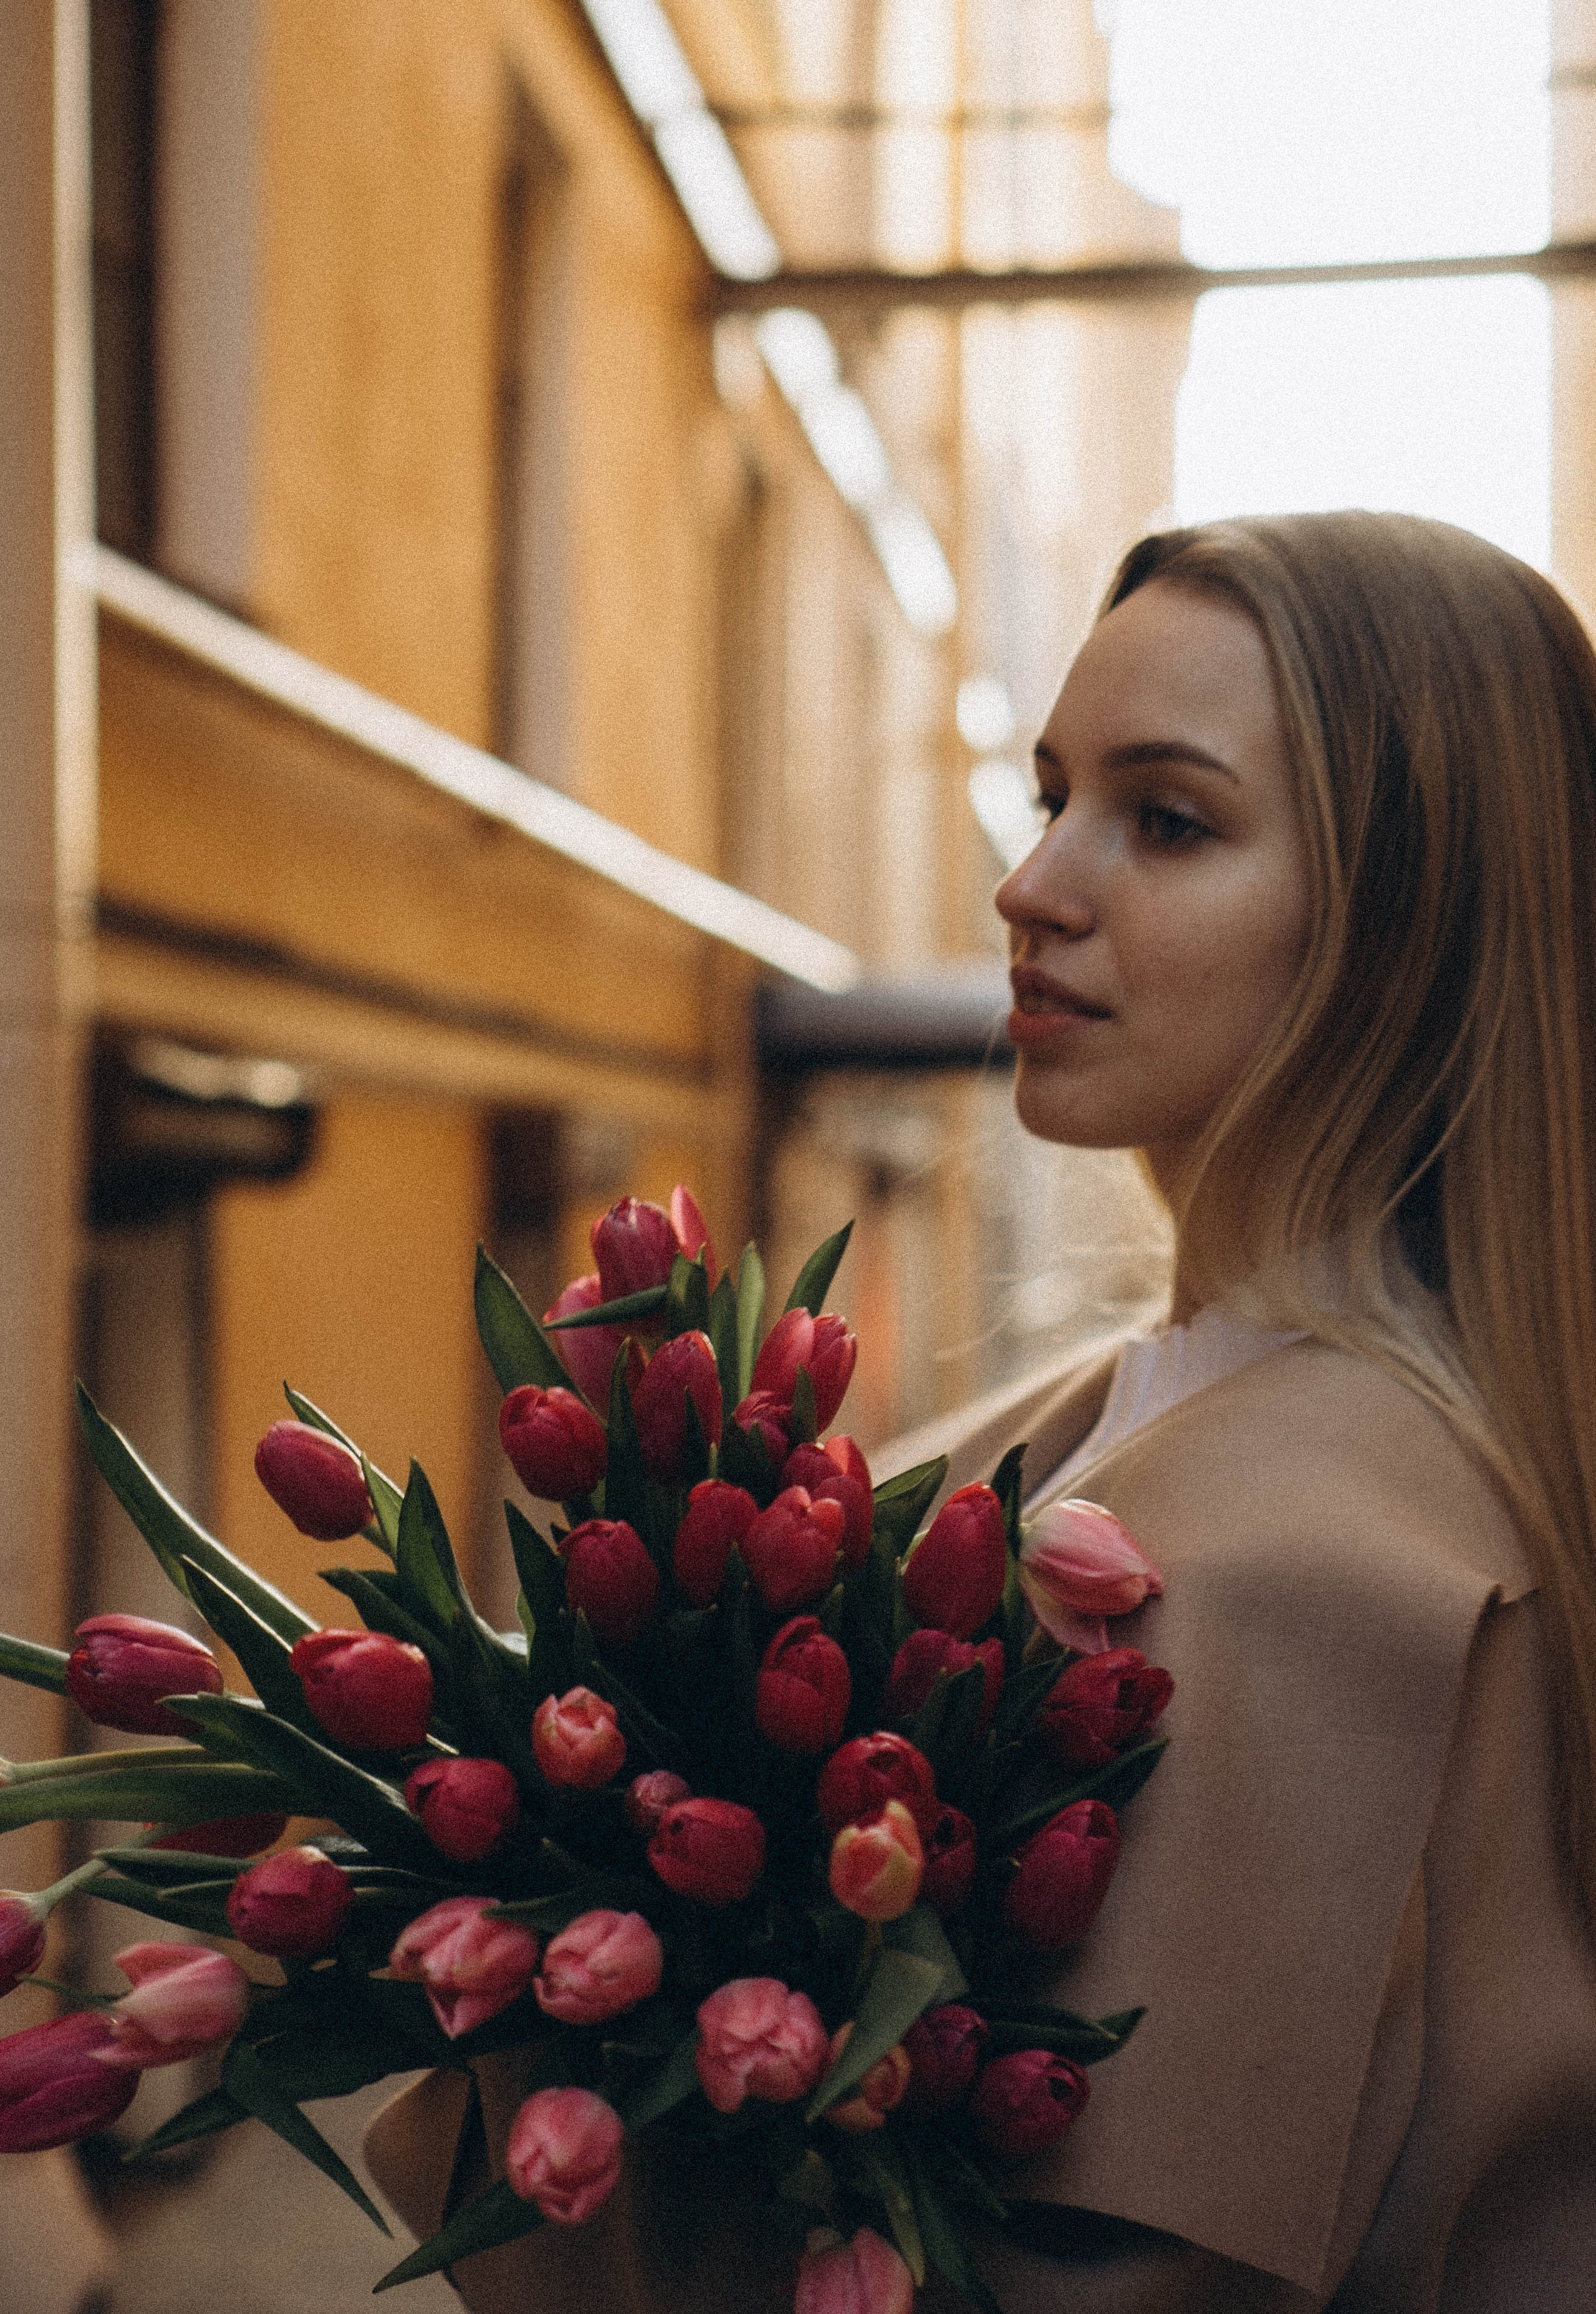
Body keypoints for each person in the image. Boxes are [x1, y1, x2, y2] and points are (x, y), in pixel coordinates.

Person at [365, 512, 1596, 2309]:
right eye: (1052, 799)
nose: (1035, 887)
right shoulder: (1187, 1417)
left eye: (1167, 820)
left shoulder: (1314, 1574)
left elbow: (1091, 2277)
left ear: (1411, 927)